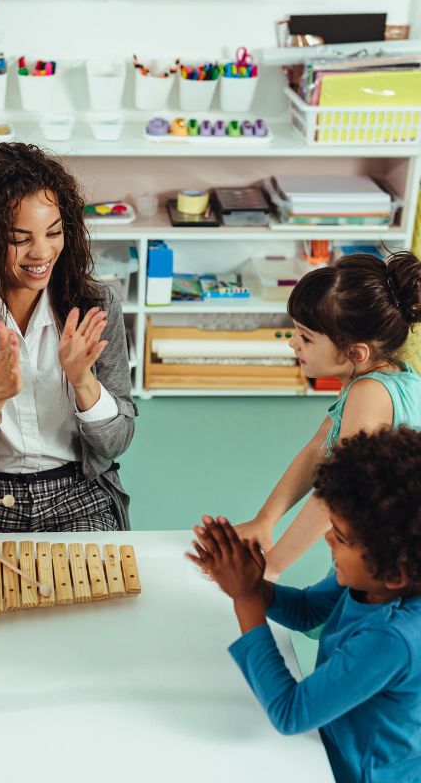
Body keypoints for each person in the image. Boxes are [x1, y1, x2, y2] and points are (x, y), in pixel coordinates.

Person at [0, 142, 136, 532]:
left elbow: (116, 443)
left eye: (54, 232)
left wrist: (84, 381)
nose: (42, 252)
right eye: (20, 238)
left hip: (77, 492)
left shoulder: (96, 305)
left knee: (96, 592)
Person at [188, 428, 421, 783]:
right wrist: (256, 587)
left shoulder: (392, 638)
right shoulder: (369, 583)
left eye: (341, 537)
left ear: (394, 571)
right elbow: (308, 610)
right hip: (329, 749)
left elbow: (291, 713)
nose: (327, 537)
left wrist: (246, 600)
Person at [235, 252, 421, 578]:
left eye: (305, 337)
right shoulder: (375, 377)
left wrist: (273, 565)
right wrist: (265, 520)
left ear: (355, 352)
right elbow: (317, 450)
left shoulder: (371, 393)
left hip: (392, 562)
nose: (293, 343)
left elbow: (339, 490)